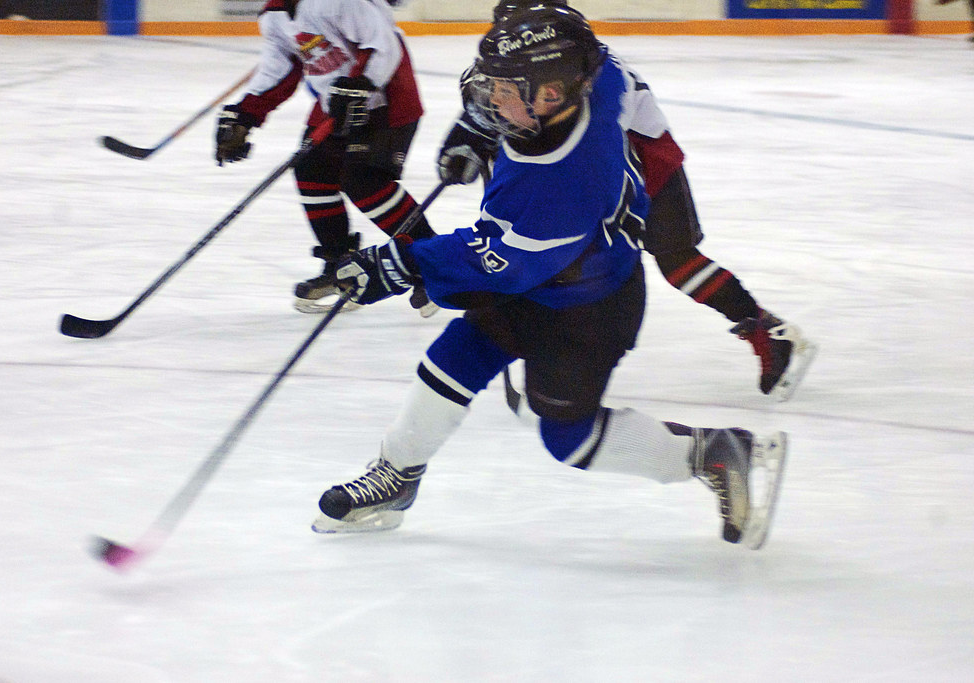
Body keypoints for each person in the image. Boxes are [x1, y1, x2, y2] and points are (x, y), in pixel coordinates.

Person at [311, 6, 788, 549]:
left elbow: (495, 257)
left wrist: (394, 266)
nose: (493, 98)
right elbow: (590, 54)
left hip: (588, 308)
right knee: (455, 356)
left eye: (507, 90)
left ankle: (714, 453)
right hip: (560, 271)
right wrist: (475, 132)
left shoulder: (564, 179)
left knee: (568, 437)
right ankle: (396, 475)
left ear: (553, 95)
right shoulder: (593, 77)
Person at [438, 0, 816, 400]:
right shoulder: (539, 70)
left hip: (648, 168)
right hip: (601, 178)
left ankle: (767, 330)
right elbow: (496, 116)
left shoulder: (594, 76)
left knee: (676, 262)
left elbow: (578, 148)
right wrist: (467, 139)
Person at [214, 0, 437, 315]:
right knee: (311, 170)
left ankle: (433, 262)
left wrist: (361, 84)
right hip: (335, 104)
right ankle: (339, 266)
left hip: (387, 98)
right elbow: (282, 67)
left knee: (364, 181)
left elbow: (383, 44)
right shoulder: (275, 14)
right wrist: (246, 114)